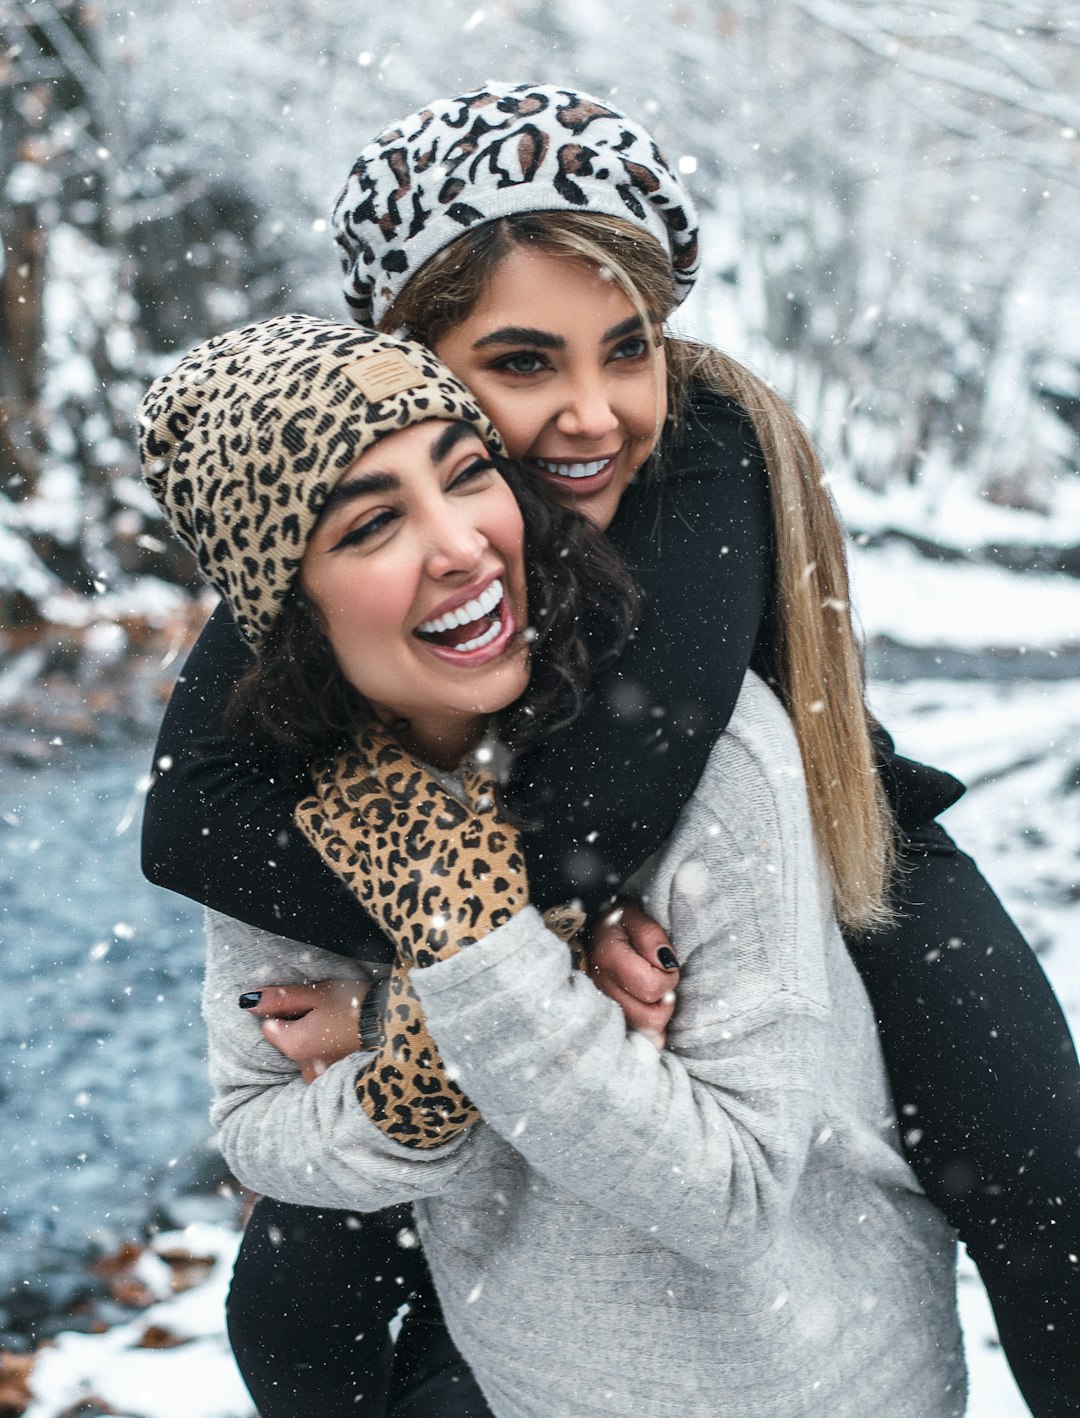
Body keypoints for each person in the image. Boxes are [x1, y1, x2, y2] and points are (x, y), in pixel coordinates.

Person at [140, 83, 1080, 1416]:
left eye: (623, 346)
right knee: (297, 1306)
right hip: (497, 898)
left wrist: (455, 986)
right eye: (523, 362)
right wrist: (470, 989)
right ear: (408, 367)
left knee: (1049, 1182)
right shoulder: (353, 517)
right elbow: (189, 815)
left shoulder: (699, 453)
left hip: (827, 836)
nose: (593, 413)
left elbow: (619, 796)